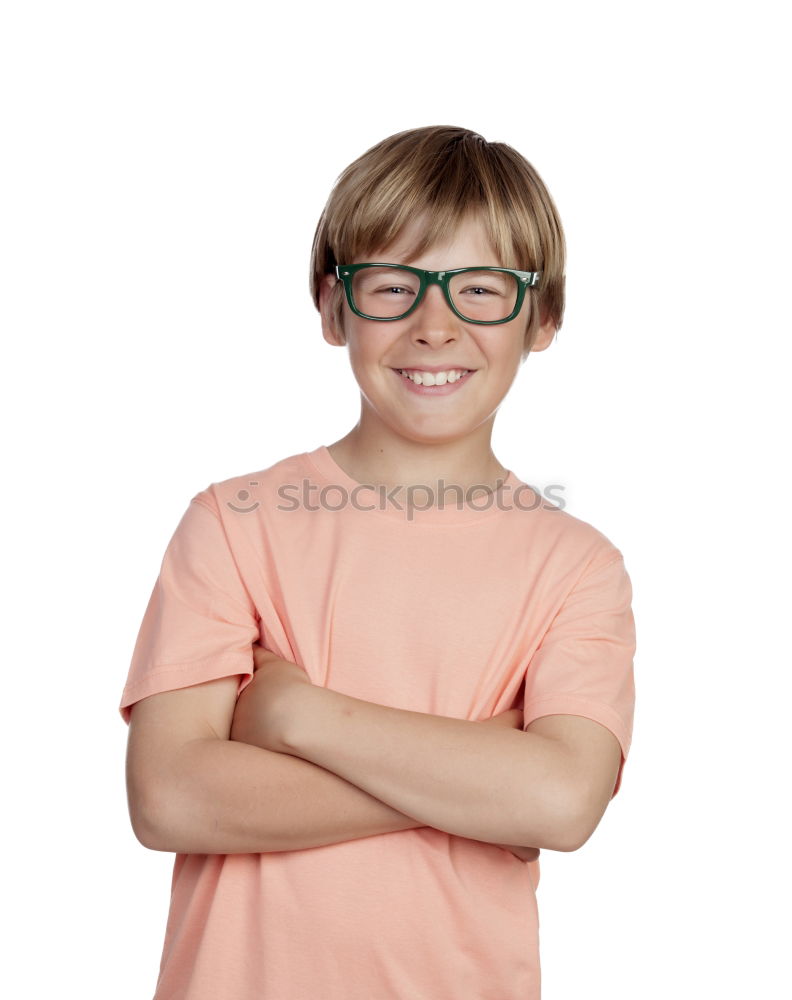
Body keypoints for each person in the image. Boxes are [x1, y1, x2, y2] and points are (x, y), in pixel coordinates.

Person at [119, 124, 637, 1000]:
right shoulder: (234, 524)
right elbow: (169, 797)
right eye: (393, 287)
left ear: (541, 317)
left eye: (481, 289)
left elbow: (560, 805)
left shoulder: (577, 567)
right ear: (333, 308)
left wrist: (294, 716)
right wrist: (482, 779)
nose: (435, 327)